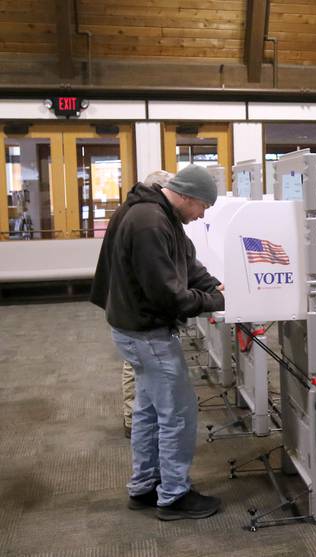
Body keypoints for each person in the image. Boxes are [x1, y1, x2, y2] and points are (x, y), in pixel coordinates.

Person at [90, 165, 224, 521]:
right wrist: (213, 301)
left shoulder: (158, 214)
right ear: (187, 197)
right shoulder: (150, 222)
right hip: (147, 332)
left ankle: (145, 485)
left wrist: (213, 285)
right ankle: (174, 495)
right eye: (203, 207)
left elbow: (186, 261)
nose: (202, 215)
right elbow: (168, 295)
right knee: (179, 413)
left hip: (134, 328)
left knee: (149, 412)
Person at [121, 170, 175, 439]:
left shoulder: (133, 210)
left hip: (125, 307)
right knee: (137, 369)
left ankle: (135, 417)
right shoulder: (147, 219)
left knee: (139, 371)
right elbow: (158, 285)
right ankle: (132, 417)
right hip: (134, 314)